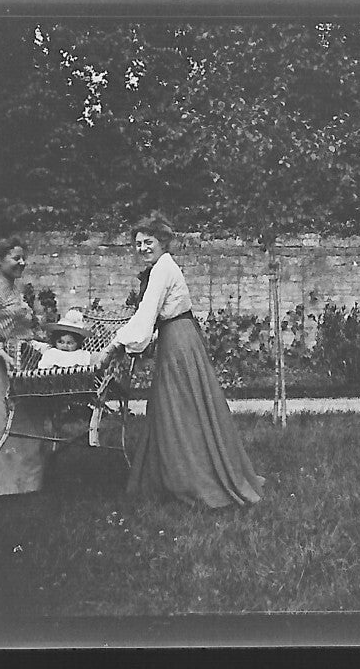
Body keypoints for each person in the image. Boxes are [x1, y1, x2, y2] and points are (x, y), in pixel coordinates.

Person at [101, 215, 264, 508]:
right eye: (137, 244)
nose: (142, 248)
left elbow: (146, 315)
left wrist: (113, 346)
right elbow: (150, 319)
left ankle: (194, 478)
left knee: (181, 406)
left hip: (178, 339)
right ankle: (173, 474)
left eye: (148, 242)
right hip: (176, 337)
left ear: (163, 242)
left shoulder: (163, 268)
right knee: (175, 404)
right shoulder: (160, 268)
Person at [0, 236, 51, 496]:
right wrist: (2, 354)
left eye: (23, 258)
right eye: (16, 258)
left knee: (23, 422)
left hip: (19, 362)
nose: (22, 263)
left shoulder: (14, 288)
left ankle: (25, 485)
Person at [31, 308, 101, 369]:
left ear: (78, 343)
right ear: (55, 341)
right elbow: (43, 369)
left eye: (70, 343)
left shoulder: (81, 354)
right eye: (61, 342)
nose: (65, 346)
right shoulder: (51, 353)